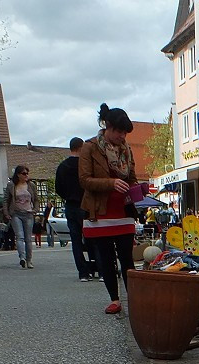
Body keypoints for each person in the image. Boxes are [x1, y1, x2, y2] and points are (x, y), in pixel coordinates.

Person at [79, 103, 137, 314]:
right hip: (100, 211)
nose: (122, 137)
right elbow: (85, 180)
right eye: (119, 132)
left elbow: (131, 179)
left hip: (123, 211)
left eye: (124, 133)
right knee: (106, 258)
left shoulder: (127, 150)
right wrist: (110, 183)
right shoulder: (90, 147)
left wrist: (138, 189)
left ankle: (135, 300)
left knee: (127, 258)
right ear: (108, 126)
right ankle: (114, 299)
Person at [55, 137, 100, 281]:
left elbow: (58, 189)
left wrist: (68, 196)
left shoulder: (62, 166)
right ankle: (99, 269)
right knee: (93, 238)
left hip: (70, 205)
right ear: (81, 148)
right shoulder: (85, 165)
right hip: (86, 204)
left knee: (76, 240)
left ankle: (83, 273)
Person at [3, 165, 37, 268]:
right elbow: (6, 199)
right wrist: (6, 213)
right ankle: (22, 257)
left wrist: (35, 210)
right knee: (19, 236)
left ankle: (29, 260)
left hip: (28, 213)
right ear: (18, 175)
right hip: (16, 213)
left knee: (28, 238)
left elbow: (36, 199)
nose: (26, 175)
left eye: (27, 173)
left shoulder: (31, 185)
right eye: (24, 173)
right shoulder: (11, 185)